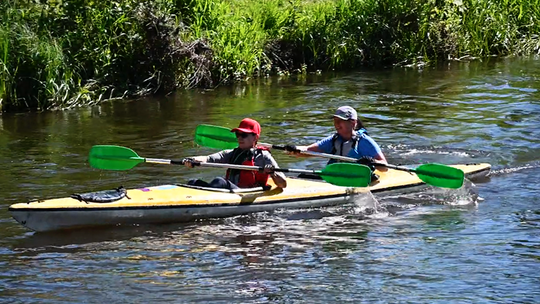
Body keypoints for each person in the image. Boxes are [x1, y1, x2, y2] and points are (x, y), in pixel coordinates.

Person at [184, 118, 287, 189]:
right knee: (193, 182)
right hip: (232, 190)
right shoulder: (232, 153)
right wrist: (192, 160)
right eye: (238, 134)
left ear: (255, 137)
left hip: (248, 193)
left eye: (244, 135)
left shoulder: (263, 156)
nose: (240, 138)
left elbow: (283, 184)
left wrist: (272, 173)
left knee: (219, 181)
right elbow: (208, 159)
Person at [286, 106, 387, 176]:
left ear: (353, 123)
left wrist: (372, 161)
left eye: (341, 121)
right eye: (335, 121)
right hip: (335, 176)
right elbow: (308, 150)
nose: (337, 124)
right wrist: (294, 149)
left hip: (357, 178)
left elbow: (384, 167)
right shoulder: (333, 140)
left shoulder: (365, 142)